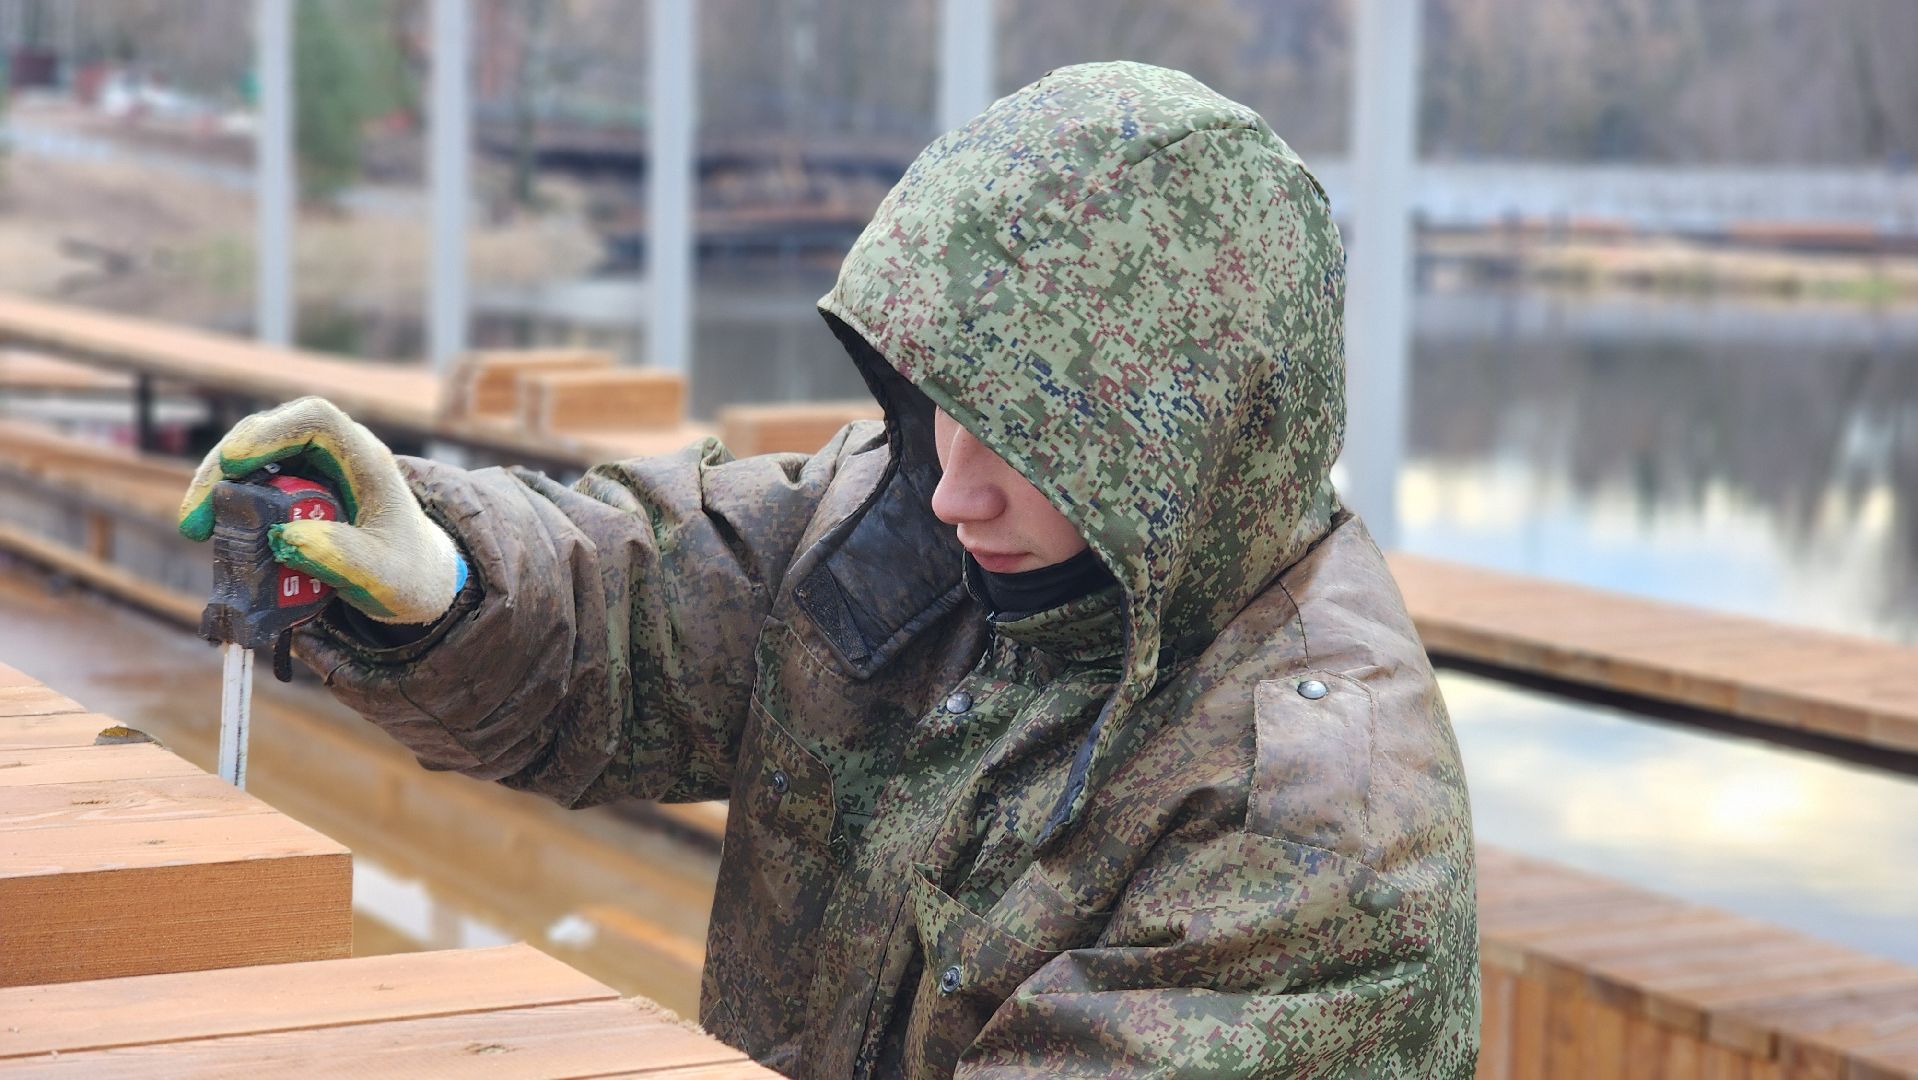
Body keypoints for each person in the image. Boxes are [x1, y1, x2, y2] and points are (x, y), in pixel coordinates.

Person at [180, 61, 1477, 1078]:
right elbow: (635, 612)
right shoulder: (904, 526)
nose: (957, 486)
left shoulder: (1308, 828)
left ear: (1189, 449)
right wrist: (448, 583)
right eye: (939, 405)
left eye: (1035, 444)